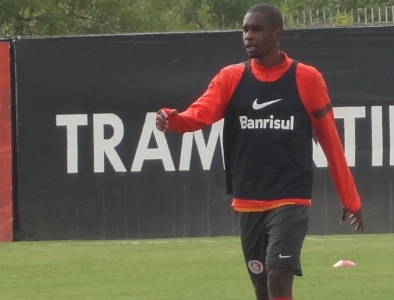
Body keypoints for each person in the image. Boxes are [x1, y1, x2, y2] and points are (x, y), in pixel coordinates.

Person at [156, 3, 364, 300]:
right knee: (262, 288)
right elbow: (199, 114)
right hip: (248, 201)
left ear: (277, 33)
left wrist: (350, 198)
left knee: (278, 277)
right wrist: (172, 119)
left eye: (256, 29)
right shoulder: (231, 77)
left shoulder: (307, 78)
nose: (248, 36)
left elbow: (330, 140)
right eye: (245, 29)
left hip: (290, 199)